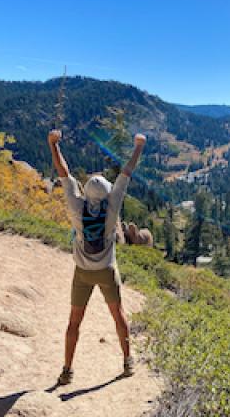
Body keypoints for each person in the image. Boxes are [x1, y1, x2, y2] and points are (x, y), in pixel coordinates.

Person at [47, 129, 146, 385]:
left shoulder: (76, 206)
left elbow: (63, 171)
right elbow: (126, 172)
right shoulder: (112, 207)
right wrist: (138, 146)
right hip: (106, 270)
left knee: (74, 322)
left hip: (82, 272)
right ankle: (127, 362)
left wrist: (53, 144)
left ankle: (67, 370)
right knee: (118, 315)